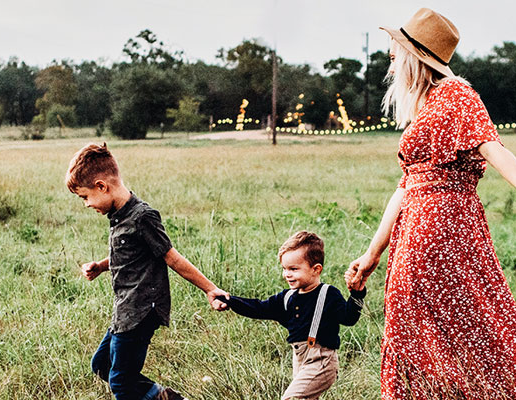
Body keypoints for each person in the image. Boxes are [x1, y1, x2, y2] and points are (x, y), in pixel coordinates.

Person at [343, 8, 516, 400]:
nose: (390, 59)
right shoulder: (426, 104)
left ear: (416, 55)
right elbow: (405, 186)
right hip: (418, 233)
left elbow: (493, 148)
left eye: (395, 51)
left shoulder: (455, 93)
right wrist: (372, 254)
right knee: (449, 334)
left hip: (442, 231)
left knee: (475, 332)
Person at [67, 143, 231, 400]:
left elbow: (172, 258)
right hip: (124, 309)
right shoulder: (119, 215)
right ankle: (166, 398)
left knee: (121, 382)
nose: (86, 204)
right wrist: (101, 266)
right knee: (102, 365)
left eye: (85, 197)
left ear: (101, 186)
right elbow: (130, 253)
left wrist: (210, 289)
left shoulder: (143, 216)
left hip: (142, 309)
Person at [216, 231, 365, 400]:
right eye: (284, 269)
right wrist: (230, 301)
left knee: (291, 398)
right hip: (299, 360)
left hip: (322, 361)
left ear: (316, 269)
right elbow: (259, 308)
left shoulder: (328, 294)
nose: (287, 274)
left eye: (294, 269)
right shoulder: (287, 298)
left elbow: (349, 318)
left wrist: (357, 294)